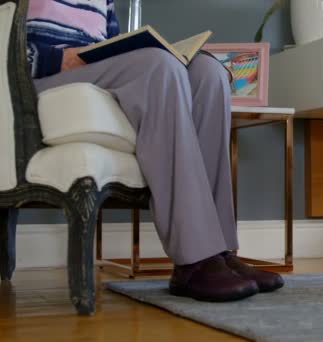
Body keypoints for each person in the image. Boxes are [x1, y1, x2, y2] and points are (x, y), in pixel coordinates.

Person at [26, 0, 284, 301]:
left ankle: (220, 251)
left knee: (207, 73)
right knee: (158, 65)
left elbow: (111, 42)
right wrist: (54, 59)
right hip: (37, 78)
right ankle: (193, 260)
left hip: (91, 70)